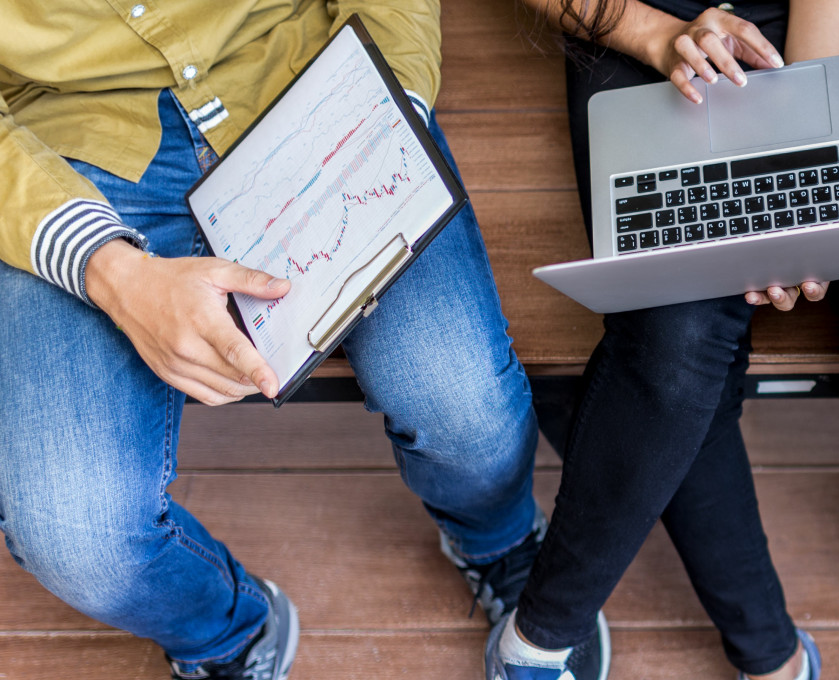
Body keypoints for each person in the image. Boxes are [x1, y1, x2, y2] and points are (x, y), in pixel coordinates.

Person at [0, 2, 546, 679]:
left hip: (303, 74)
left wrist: (387, 118)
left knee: (462, 406)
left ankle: (497, 539)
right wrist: (106, 269)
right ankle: (223, 636)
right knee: (78, 539)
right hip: (62, 147)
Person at [492, 1, 839, 679]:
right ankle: (765, 653)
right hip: (631, 23)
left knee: (676, 352)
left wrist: (804, 169)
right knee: (675, 331)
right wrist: (657, 35)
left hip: (820, 23)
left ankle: (540, 640)